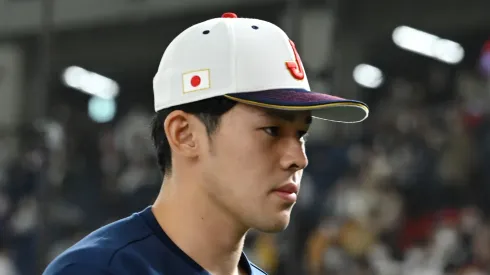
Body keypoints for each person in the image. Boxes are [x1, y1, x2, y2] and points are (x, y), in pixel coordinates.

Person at [43, 12, 369, 275]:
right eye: (272, 130)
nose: (299, 158)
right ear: (184, 135)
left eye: (301, 134)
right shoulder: (96, 270)